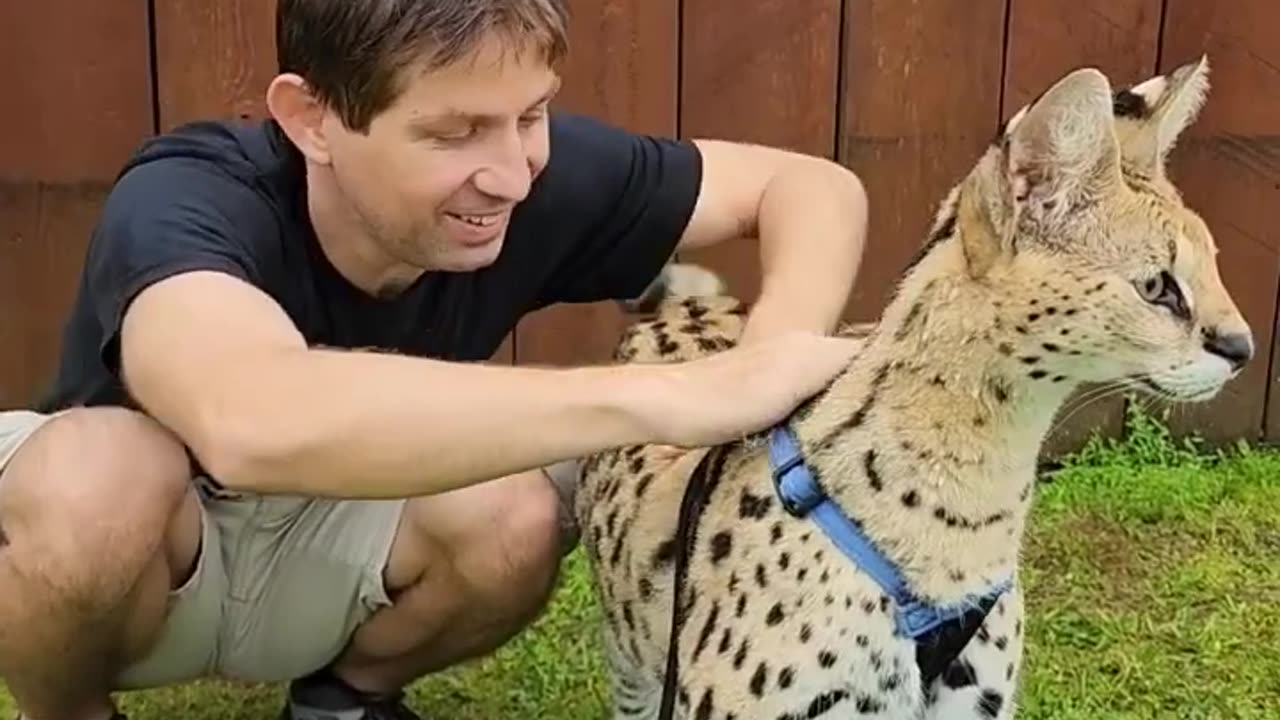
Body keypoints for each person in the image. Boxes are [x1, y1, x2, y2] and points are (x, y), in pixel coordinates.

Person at [0, 1, 869, 719]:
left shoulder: (528, 173)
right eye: (453, 133)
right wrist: (669, 394)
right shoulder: (187, 195)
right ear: (313, 119)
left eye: (530, 116)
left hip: (325, 543)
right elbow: (246, 421)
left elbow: (810, 187)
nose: (512, 176)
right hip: (140, 563)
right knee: (96, 474)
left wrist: (770, 355)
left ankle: (346, 701)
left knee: (515, 516)